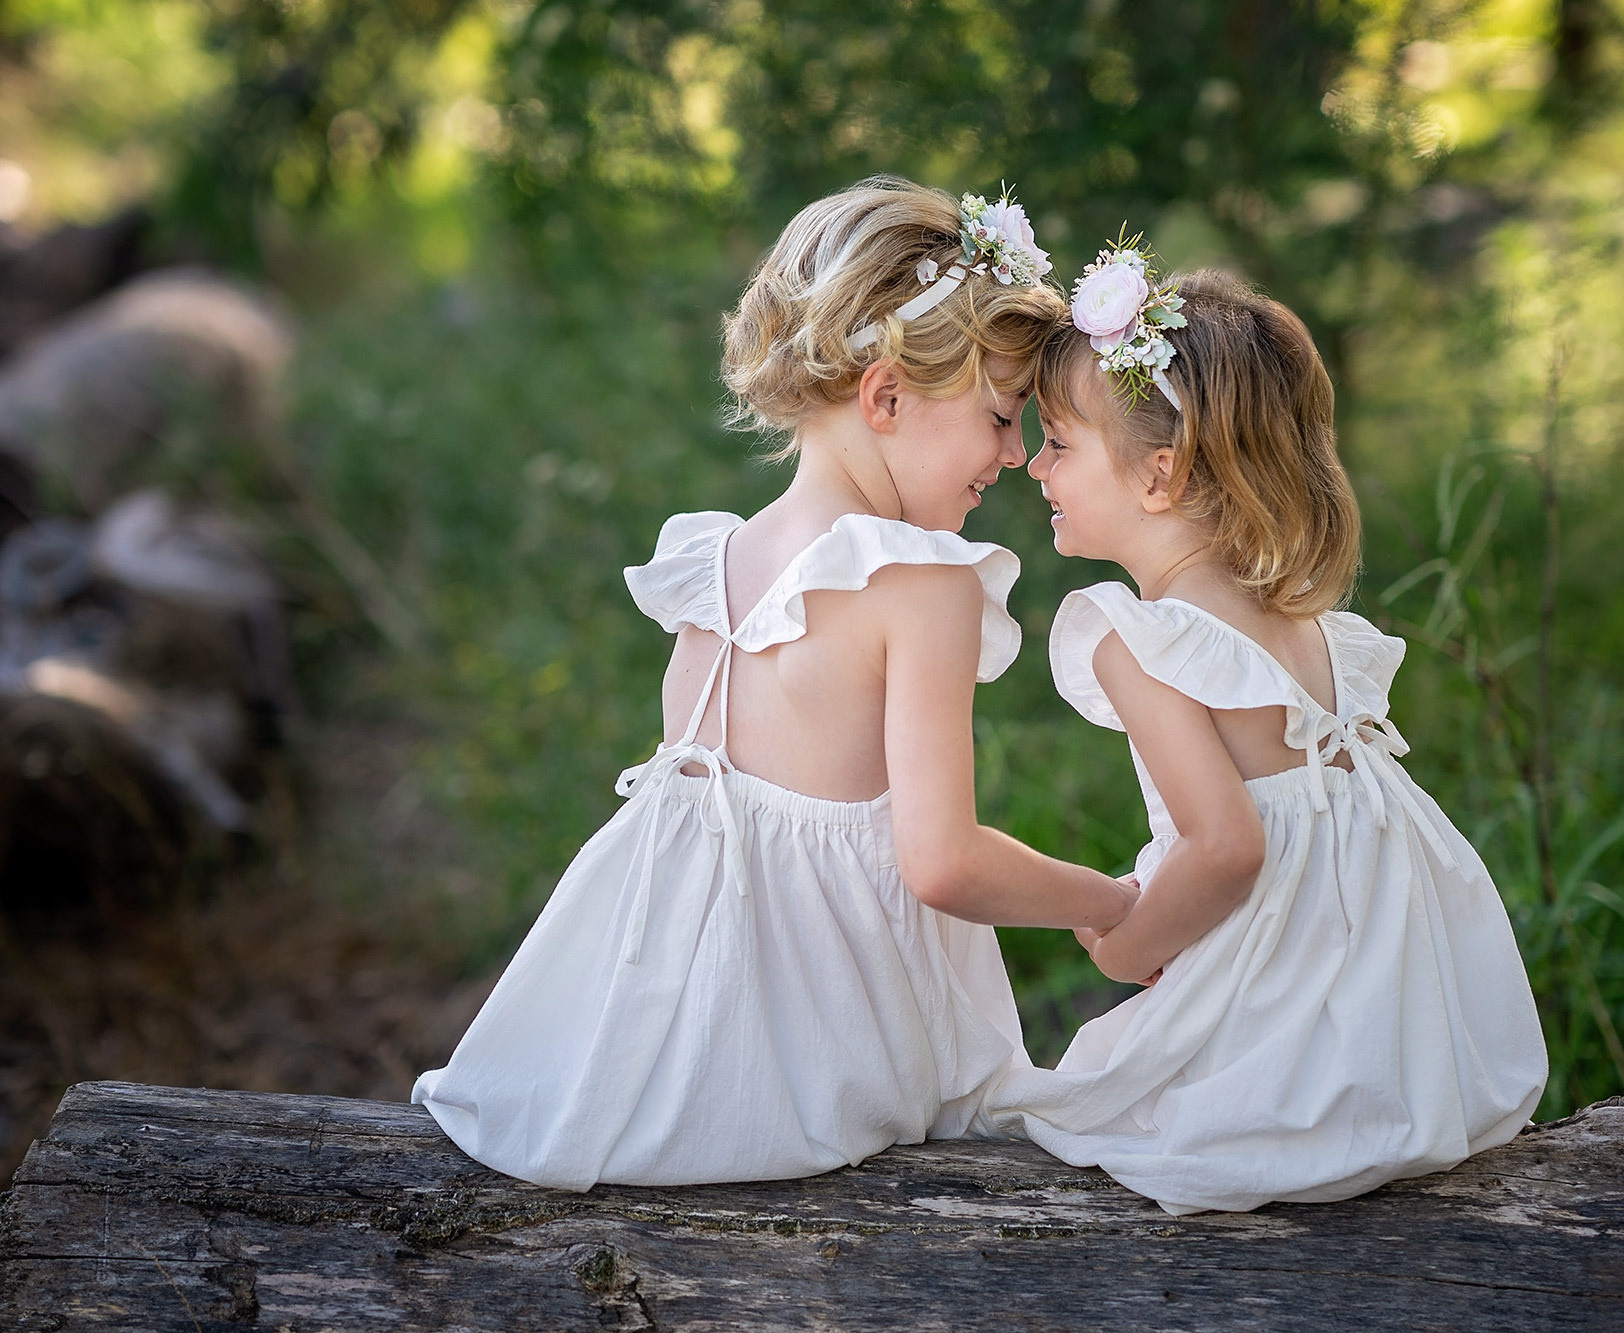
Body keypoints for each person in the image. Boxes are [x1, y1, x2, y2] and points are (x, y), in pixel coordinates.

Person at [413, 178, 1137, 1192]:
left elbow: (701, 844)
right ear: (884, 397)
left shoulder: (714, 563)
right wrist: (1108, 899)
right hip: (815, 1066)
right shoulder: (915, 583)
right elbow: (941, 862)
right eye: (998, 417)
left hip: (655, 1055)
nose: (1012, 457)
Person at [978, 248, 1548, 1215]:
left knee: (1061, 1108)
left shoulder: (1141, 637)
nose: (1035, 464)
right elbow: (1316, 839)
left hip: (1284, 1003)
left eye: (1061, 444)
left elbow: (1230, 848)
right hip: (1396, 1028)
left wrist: (1123, 944)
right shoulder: (1306, 620)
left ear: (1159, 474)